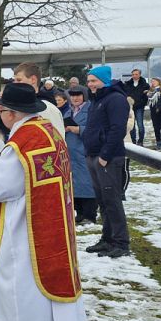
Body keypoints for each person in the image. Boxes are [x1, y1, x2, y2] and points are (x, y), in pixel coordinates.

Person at [0, 83, 87, 321]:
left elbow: (4, 183)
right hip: (54, 219)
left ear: (11, 113)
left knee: (24, 278)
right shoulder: (48, 131)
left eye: (1, 110)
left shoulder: (23, 141)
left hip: (26, 224)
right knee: (50, 274)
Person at [82, 65, 131, 259]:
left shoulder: (115, 99)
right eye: (89, 81)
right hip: (93, 155)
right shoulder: (98, 100)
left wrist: (105, 155)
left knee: (112, 201)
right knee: (103, 201)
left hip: (107, 158)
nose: (90, 85)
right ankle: (108, 238)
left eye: (94, 81)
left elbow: (117, 129)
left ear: (105, 80)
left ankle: (121, 242)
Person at [64, 88, 96, 224]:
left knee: (88, 184)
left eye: (78, 95)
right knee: (74, 184)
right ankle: (80, 213)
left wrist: (77, 129)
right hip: (71, 153)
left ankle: (90, 215)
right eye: (72, 96)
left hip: (83, 151)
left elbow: (95, 130)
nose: (75, 98)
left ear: (84, 96)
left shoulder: (91, 110)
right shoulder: (68, 111)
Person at [12, 62, 65, 137]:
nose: (15, 84)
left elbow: (58, 141)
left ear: (33, 79)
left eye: (19, 80)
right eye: (14, 80)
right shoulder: (17, 105)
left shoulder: (48, 108)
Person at [123, 68, 149, 145]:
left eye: (136, 74)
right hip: (130, 108)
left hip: (139, 108)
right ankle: (133, 141)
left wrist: (142, 103)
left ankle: (140, 141)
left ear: (140, 75)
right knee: (132, 126)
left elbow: (146, 96)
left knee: (140, 125)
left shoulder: (145, 85)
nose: (134, 76)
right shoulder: (127, 84)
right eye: (133, 74)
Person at [149, 77, 161, 150]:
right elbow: (149, 101)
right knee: (156, 128)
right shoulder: (151, 91)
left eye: (154, 81)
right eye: (152, 81)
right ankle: (158, 142)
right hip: (153, 112)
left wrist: (160, 108)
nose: (153, 82)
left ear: (158, 82)